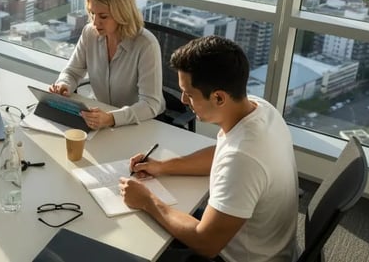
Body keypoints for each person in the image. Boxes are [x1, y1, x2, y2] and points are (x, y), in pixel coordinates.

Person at [119, 36, 298, 262]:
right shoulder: (260, 109)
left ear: (219, 97)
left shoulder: (243, 158)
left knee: (135, 246)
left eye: (189, 94)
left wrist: (147, 200)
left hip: (236, 256)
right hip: (260, 241)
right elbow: (221, 153)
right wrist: (163, 167)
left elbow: (206, 243)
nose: (183, 100)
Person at [48, 0, 164, 129]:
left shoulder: (146, 45)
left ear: (122, 14)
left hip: (140, 124)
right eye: (92, 13)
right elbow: (72, 72)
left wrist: (111, 118)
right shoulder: (90, 33)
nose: (95, 22)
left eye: (103, 16)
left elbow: (150, 104)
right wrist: (64, 84)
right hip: (100, 117)